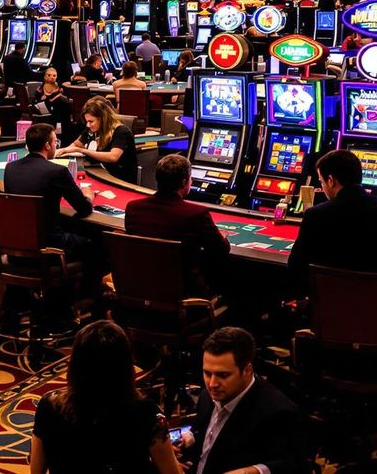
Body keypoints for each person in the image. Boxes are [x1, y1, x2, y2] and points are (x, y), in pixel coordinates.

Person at [31, 320, 180, 474]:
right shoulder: (148, 414)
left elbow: (36, 471)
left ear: (75, 365)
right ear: (126, 367)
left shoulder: (48, 406)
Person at [177, 327, 308, 474]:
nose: (212, 383)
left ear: (247, 370)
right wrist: (190, 440)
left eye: (223, 375)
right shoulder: (206, 396)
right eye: (207, 373)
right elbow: (207, 435)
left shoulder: (279, 412)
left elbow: (291, 464)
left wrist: (252, 471)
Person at [288, 149, 377, 288]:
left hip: (328, 303)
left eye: (321, 182)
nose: (322, 186)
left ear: (331, 181)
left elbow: (295, 267)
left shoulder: (315, 214)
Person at [125, 154, 229, 296]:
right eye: (190, 178)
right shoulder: (197, 213)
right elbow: (221, 250)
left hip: (138, 289)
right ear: (184, 181)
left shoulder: (133, 208)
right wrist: (221, 236)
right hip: (183, 295)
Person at [4, 123, 92, 252]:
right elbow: (83, 209)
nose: (56, 146)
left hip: (15, 241)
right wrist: (89, 196)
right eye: (55, 142)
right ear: (47, 145)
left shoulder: (10, 167)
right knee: (97, 242)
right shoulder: (58, 171)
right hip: (48, 244)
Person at [57, 97, 137, 183]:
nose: (88, 125)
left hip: (119, 180)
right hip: (97, 174)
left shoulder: (121, 131)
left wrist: (82, 150)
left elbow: (113, 157)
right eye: (87, 121)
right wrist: (63, 150)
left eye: (91, 121)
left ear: (102, 119)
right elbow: (76, 144)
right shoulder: (92, 129)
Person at [33, 67, 73, 136]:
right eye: (49, 75)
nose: (52, 77)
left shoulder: (60, 88)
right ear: (45, 76)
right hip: (45, 113)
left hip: (58, 113)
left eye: (54, 76)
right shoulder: (39, 89)